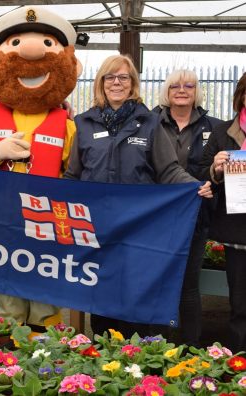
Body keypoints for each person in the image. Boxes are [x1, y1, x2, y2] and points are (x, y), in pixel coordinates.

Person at [64, 54, 212, 339]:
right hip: (99, 225)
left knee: (135, 291)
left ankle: (135, 357)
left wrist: (195, 186)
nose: (116, 83)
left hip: (138, 227)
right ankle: (103, 353)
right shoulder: (84, 123)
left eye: (123, 77)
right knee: (102, 291)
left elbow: (168, 169)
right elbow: (73, 176)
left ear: (132, 84)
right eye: (110, 77)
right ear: (101, 82)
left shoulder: (150, 122)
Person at [0, 6, 82, 333]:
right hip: (2, 222)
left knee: (45, 298)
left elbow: (77, 176)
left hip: (46, 224)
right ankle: (6, 363)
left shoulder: (67, 125)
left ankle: (44, 364)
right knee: (6, 297)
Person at [154, 69, 222, 347]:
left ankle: (190, 349)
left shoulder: (215, 128)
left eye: (188, 86)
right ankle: (155, 346)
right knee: (157, 282)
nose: (182, 90)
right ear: (166, 92)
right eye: (175, 86)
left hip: (195, 215)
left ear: (197, 92)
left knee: (188, 286)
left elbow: (216, 170)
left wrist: (211, 179)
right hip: (156, 217)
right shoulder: (150, 123)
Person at [200, 72, 246, 353]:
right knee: (240, 305)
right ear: (241, 96)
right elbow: (204, 176)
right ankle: (241, 364)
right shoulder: (222, 132)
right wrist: (216, 170)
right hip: (237, 232)